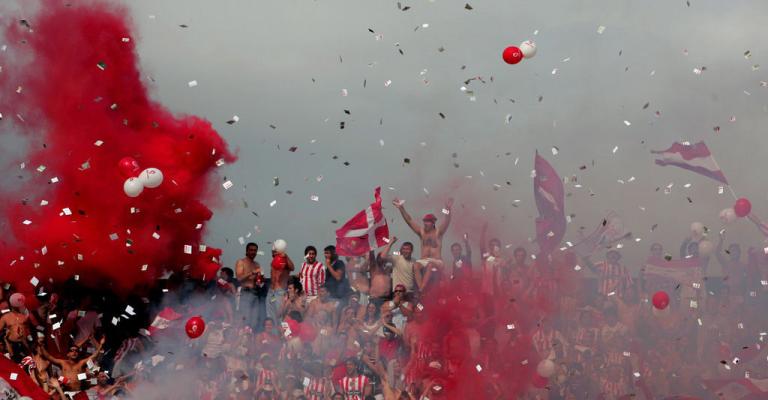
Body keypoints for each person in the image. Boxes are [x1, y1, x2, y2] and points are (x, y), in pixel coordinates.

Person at [392, 197, 454, 289]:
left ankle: (422, 287)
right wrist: (401, 208)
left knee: (430, 265)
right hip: (424, 260)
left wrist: (448, 208)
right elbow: (409, 221)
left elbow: (447, 221)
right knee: (415, 265)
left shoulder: (439, 232)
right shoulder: (421, 232)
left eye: (428, 222)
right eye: (424, 221)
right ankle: (421, 288)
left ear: (433, 223)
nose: (425, 223)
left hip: (437, 261)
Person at [37, 335, 105, 392]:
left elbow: (95, 356)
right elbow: (49, 357)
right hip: (65, 392)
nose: (74, 352)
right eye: (72, 351)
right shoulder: (62, 362)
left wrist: (101, 345)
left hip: (78, 392)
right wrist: (41, 345)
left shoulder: (81, 363)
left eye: (76, 351)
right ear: (68, 354)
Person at [236, 242, 266, 330]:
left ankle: (250, 341)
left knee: (254, 321)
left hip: (255, 293)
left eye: (255, 250)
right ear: (247, 251)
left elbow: (259, 281)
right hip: (245, 293)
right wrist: (252, 272)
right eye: (251, 250)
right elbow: (239, 278)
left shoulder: (257, 264)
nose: (253, 252)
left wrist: (261, 279)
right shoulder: (241, 262)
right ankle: (242, 342)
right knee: (245, 320)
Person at [0, 292, 32, 362]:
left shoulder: (24, 317)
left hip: (24, 344)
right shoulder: (5, 317)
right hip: (12, 346)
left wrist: (30, 341)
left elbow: (29, 331)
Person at [267, 246, 295, 323]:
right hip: (271, 293)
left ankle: (280, 334)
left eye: (275, 251)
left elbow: (292, 268)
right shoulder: (273, 263)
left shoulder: (285, 262)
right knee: (270, 316)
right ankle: (272, 334)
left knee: (279, 316)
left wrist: (286, 256)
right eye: (272, 252)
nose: (273, 253)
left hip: (279, 292)